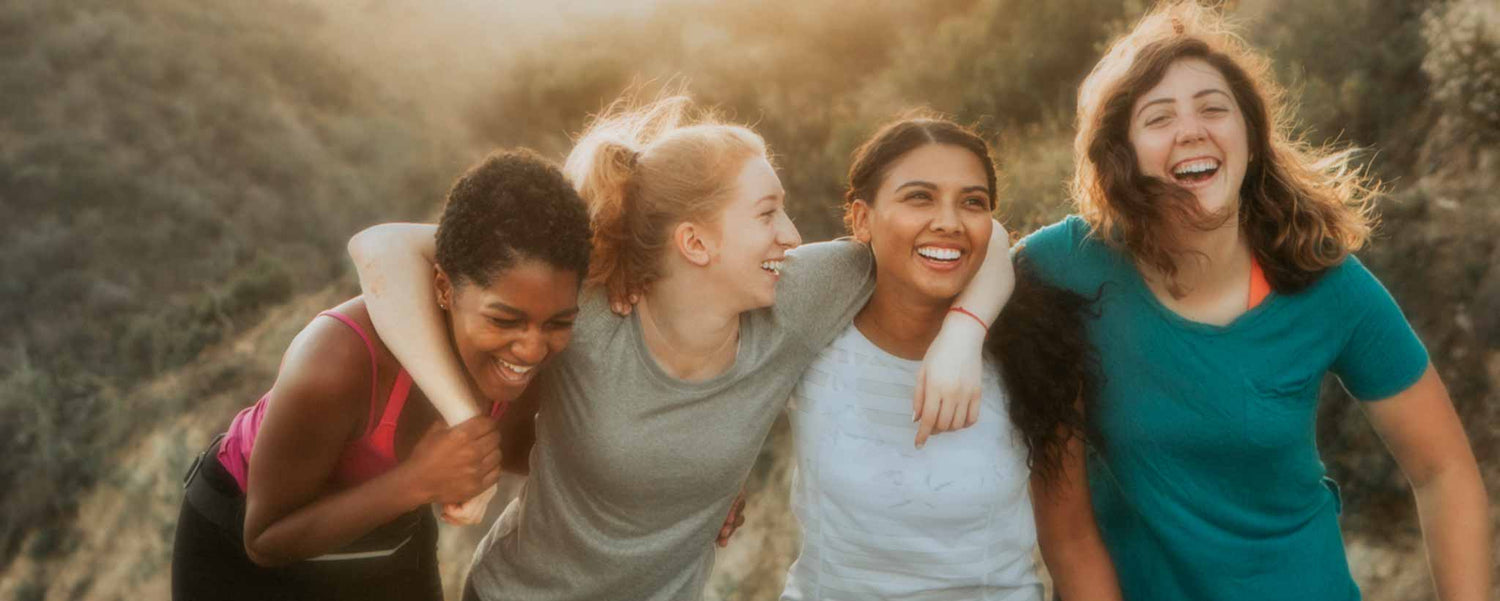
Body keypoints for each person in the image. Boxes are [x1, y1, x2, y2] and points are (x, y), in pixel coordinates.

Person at [346, 94, 1014, 601]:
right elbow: (380, 248)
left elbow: (978, 238)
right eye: (766, 212)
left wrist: (964, 332)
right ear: (695, 243)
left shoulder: (801, 293)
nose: (791, 233)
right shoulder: (589, 306)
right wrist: (465, 420)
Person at [1018, 3, 1492, 600]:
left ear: (1249, 135)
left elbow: (1443, 469)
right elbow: (967, 250)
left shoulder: (1324, 280)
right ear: (1123, 153)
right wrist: (960, 330)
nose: (1192, 129)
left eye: (1215, 108)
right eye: (1159, 117)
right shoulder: (1068, 262)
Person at [171, 149, 593, 601]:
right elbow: (266, 539)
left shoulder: (521, 363)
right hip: (241, 548)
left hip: (386, 535)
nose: (531, 347)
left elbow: (526, 450)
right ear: (444, 289)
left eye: (557, 323)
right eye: (504, 320)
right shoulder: (336, 363)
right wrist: (419, 481)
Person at [780, 114, 1121, 601]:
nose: (948, 221)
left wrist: (965, 333)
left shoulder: (1036, 353)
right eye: (919, 196)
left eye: (972, 203)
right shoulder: (813, 330)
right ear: (861, 219)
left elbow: (1072, 545)